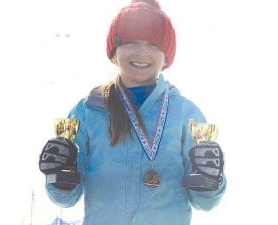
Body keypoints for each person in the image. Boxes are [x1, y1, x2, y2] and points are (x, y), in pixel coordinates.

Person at [39, 1, 226, 225]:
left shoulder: (186, 113)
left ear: (166, 56)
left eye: (153, 45)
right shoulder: (90, 110)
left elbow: (205, 203)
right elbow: (66, 198)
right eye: (131, 42)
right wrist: (59, 171)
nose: (142, 52)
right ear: (113, 52)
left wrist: (210, 178)